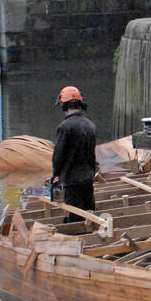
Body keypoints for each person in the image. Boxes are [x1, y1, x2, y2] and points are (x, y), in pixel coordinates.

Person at [51, 86, 98, 224]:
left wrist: (55, 173)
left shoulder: (65, 127)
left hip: (71, 181)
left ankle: (75, 243)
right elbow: (91, 154)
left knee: (74, 220)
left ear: (64, 105)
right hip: (88, 179)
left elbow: (58, 156)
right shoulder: (90, 125)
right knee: (88, 217)